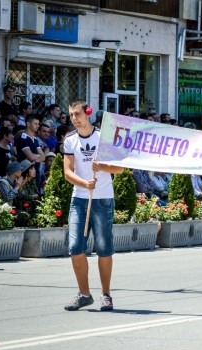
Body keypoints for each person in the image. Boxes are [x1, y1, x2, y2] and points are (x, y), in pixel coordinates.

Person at [63, 99, 124, 311]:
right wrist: (84, 183)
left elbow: (119, 169)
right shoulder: (70, 140)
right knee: (75, 247)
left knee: (104, 249)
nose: (74, 119)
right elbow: (68, 172)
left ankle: (106, 294)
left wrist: (102, 166)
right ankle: (84, 294)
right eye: (71, 115)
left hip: (103, 199)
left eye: (77, 114)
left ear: (87, 113)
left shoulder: (103, 137)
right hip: (79, 199)